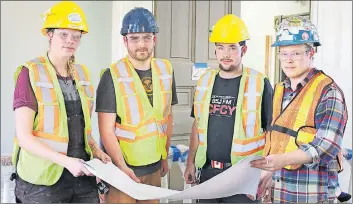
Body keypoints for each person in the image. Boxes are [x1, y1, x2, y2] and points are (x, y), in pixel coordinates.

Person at [11, 1, 111, 203]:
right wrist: (66, 162)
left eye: (76, 36)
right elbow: (24, 137)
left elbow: (81, 129)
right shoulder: (30, 72)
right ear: (49, 34)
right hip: (42, 182)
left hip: (82, 176)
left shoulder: (82, 74)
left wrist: (97, 151)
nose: (70, 41)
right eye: (63, 34)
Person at [250, 16, 348, 203]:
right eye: (284, 53)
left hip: (311, 194)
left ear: (311, 53)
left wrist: (280, 161)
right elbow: (278, 140)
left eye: (296, 53)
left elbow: (326, 147)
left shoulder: (328, 91)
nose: (289, 60)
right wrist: (268, 174)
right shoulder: (279, 90)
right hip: (279, 193)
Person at [183, 14, 273, 203]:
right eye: (220, 47)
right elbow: (197, 125)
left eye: (232, 48)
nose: (226, 54)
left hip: (244, 175)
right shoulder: (205, 81)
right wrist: (190, 161)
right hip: (208, 174)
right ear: (215, 50)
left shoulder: (259, 83)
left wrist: (268, 172)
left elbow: (272, 132)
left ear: (244, 49)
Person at [96, 7, 178, 203]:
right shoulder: (112, 75)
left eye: (146, 38)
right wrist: (121, 167)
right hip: (123, 171)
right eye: (134, 38)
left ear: (154, 39)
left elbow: (167, 118)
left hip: (154, 168)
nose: (141, 44)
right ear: (125, 40)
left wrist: (164, 157)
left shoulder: (166, 69)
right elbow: (106, 131)